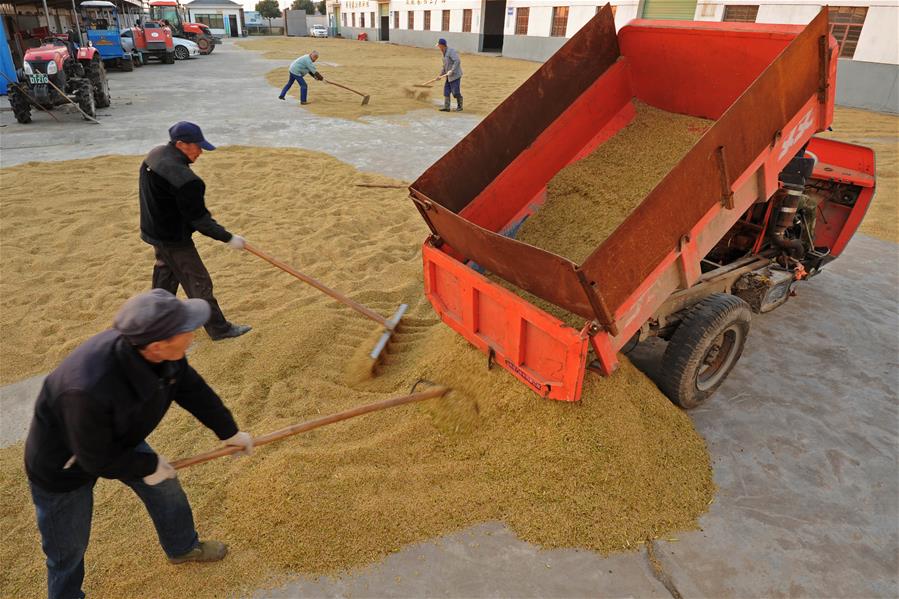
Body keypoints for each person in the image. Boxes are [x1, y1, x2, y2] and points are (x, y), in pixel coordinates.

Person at [24, 289, 255, 599]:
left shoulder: (165, 358)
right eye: (186, 330)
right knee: (68, 547)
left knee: (165, 487)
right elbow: (95, 458)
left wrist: (229, 432)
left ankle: (182, 547)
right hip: (64, 464)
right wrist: (147, 465)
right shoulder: (88, 388)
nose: (193, 333)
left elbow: (194, 391)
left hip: (119, 439)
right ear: (158, 345)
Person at [139, 121, 251, 341]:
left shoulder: (155, 155)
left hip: (154, 229)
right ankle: (220, 330)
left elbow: (171, 201)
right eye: (197, 147)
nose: (200, 151)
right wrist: (229, 238)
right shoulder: (187, 180)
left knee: (165, 273)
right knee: (198, 282)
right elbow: (201, 221)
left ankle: (156, 320)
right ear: (180, 144)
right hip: (173, 237)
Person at [436, 38, 462, 112]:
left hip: (455, 75)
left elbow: (457, 61)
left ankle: (460, 107)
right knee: (446, 91)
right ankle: (447, 107)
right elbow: (444, 67)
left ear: (442, 45)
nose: (438, 47)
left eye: (439, 46)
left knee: (455, 92)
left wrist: (452, 70)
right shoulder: (443, 54)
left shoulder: (451, 51)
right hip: (448, 76)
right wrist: (440, 75)